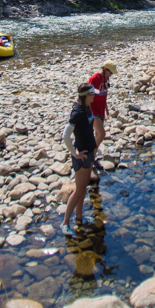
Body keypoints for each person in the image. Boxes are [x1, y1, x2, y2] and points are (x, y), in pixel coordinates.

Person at [61, 82, 98, 236]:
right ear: (86, 96)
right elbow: (65, 136)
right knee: (78, 190)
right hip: (82, 156)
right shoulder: (77, 113)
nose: (95, 95)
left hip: (90, 152)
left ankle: (79, 216)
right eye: (92, 94)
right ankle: (65, 222)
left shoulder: (86, 107)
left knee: (84, 188)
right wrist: (75, 153)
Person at [88, 61, 117, 148]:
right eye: (111, 72)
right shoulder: (94, 78)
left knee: (97, 135)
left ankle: (93, 158)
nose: (111, 74)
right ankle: (90, 152)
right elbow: (88, 95)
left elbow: (103, 94)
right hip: (94, 110)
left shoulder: (106, 78)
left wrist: (106, 109)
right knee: (102, 134)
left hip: (101, 110)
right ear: (105, 69)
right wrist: (89, 112)